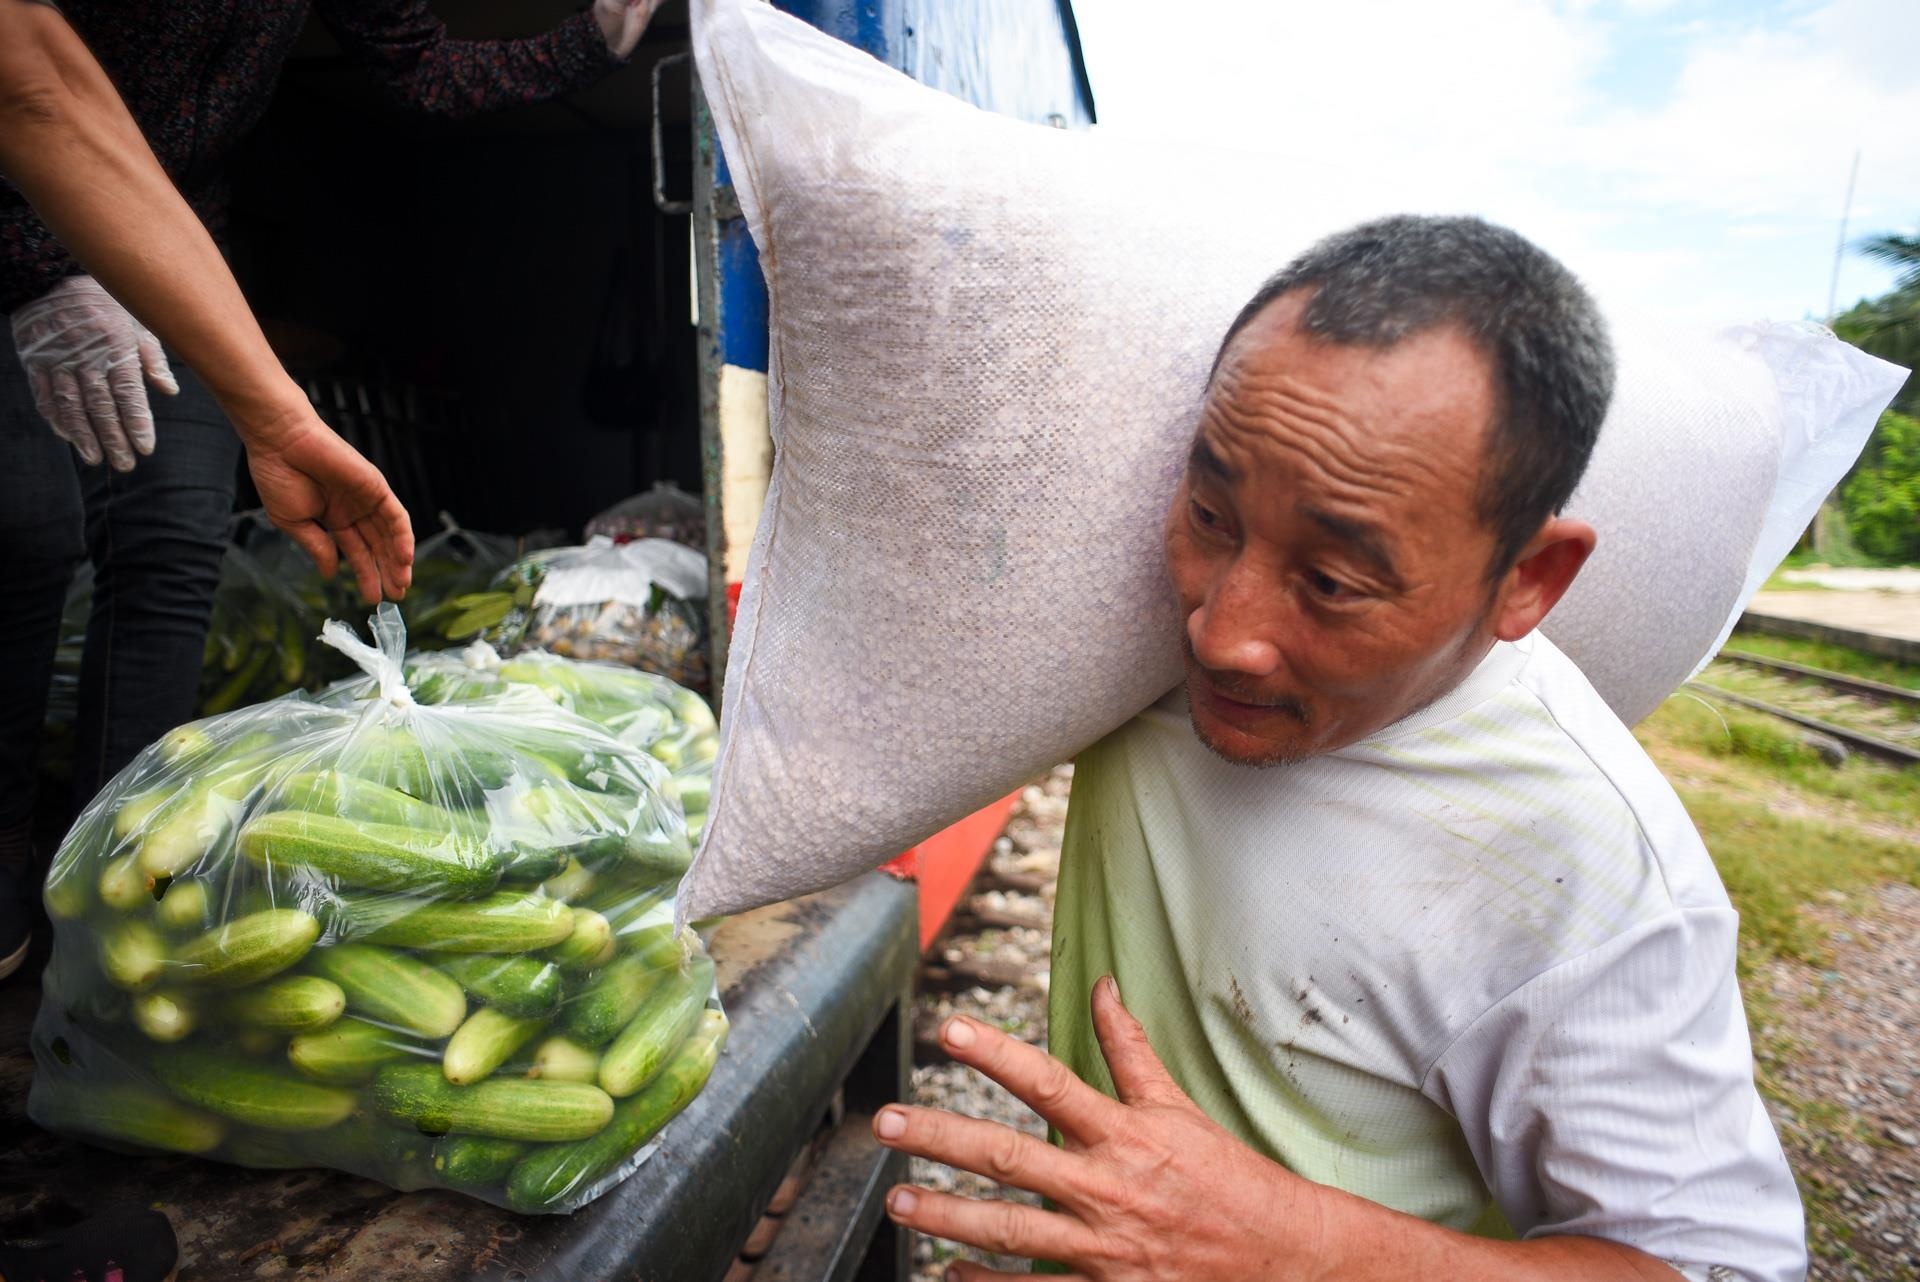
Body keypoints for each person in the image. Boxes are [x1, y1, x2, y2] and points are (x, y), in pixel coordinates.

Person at [868, 216, 1806, 1281]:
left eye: (1332, 583)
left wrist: (1293, 1247)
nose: (1221, 633)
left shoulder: (1585, 863)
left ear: (1527, 581)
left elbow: (1724, 1267)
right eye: (1213, 514)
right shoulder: (1127, 612)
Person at [0, 0, 665, 968]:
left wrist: (586, 46)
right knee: (26, 529)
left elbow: (421, 68)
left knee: (179, 538)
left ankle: (120, 867)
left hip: (171, 234)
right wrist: (35, 265)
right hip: (17, 209)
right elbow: (30, 84)